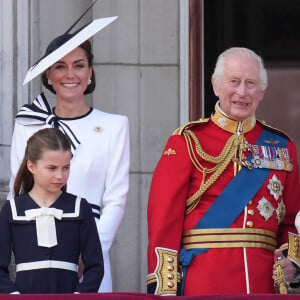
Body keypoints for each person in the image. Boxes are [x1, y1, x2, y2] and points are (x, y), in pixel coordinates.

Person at [147, 47, 300, 295]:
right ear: (216, 85)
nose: (242, 92)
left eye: (251, 83)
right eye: (234, 82)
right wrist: (165, 289)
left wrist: (291, 264)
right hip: (203, 282)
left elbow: (292, 219)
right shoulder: (187, 141)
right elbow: (164, 222)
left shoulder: (282, 147)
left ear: (262, 91)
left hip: (263, 284)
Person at [7, 13, 130, 292]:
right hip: (38, 253)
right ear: (49, 75)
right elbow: (17, 193)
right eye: (60, 66)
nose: (70, 74)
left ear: (90, 71)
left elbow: (116, 199)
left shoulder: (114, 126)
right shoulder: (28, 124)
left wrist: (89, 249)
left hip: (91, 256)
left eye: (79, 65)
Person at [0, 128, 103, 293]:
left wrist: (79, 296)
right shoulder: (12, 209)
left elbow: (96, 267)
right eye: (52, 168)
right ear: (31, 166)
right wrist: (14, 296)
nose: (60, 176)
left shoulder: (79, 207)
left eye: (66, 168)